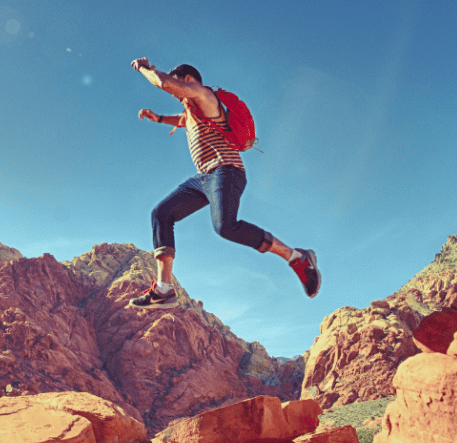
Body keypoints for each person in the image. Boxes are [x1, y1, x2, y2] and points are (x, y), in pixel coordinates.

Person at [127, 57, 320, 309]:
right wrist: (159, 118)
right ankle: (164, 290)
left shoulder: (204, 94)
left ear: (187, 80)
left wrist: (144, 68)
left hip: (226, 171)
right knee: (161, 214)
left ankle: (297, 257)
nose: (176, 94)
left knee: (225, 226)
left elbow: (163, 83)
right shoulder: (192, 110)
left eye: (179, 85)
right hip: (203, 178)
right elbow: (183, 120)